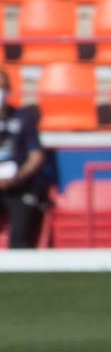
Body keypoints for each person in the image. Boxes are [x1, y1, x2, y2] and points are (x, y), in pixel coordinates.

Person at [0, 69, 53, 249]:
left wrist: (17, 178)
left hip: (18, 186)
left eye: (2, 87)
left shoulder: (23, 118)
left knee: (21, 237)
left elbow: (35, 155)